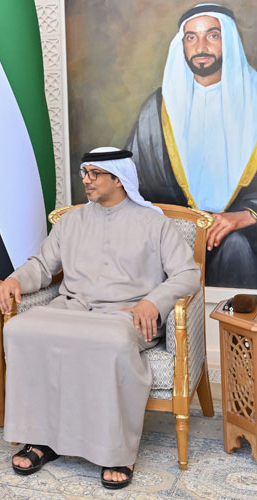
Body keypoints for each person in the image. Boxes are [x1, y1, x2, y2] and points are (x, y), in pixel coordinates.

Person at [0, 147, 200, 489]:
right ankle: (41, 439)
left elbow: (188, 274)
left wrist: (153, 302)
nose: (86, 181)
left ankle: (116, 452)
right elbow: (43, 267)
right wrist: (15, 279)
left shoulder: (155, 223)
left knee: (111, 341)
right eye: (84, 174)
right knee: (19, 329)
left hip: (126, 314)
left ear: (118, 179)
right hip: (73, 309)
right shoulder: (71, 221)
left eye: (94, 174)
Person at [126, 3, 257, 288]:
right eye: (191, 37)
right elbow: (132, 182)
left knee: (236, 247)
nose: (201, 47)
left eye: (212, 35)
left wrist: (248, 214)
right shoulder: (158, 108)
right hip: (174, 230)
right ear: (182, 45)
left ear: (229, 40)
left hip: (247, 230)